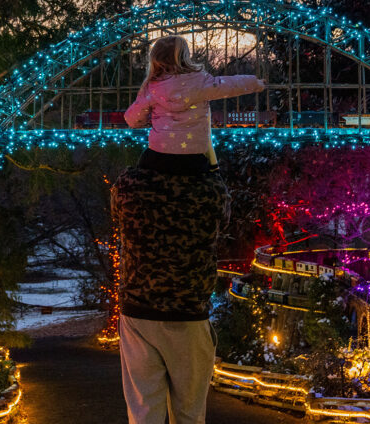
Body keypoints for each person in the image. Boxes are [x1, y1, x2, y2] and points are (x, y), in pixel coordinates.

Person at [110, 35, 265, 424]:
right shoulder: (211, 194)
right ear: (185, 57)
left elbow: (131, 117)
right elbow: (235, 84)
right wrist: (260, 82)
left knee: (143, 415)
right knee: (189, 416)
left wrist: (144, 117)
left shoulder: (128, 188)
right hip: (187, 317)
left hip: (138, 312)